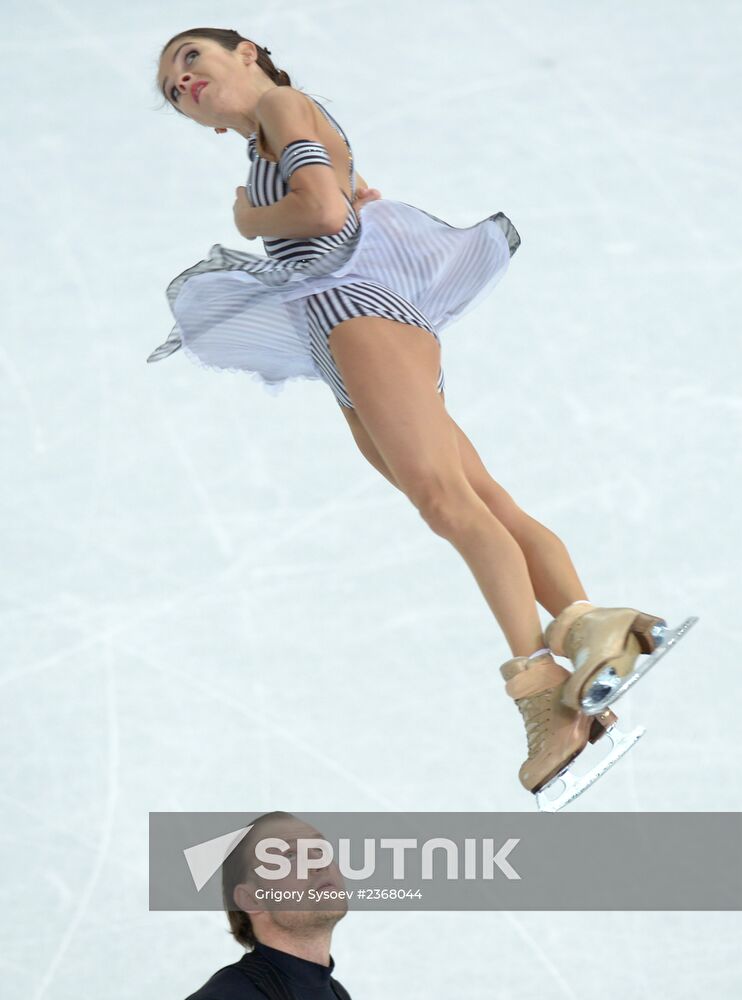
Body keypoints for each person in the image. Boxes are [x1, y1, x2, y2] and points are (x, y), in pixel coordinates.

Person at [151, 28, 691, 810]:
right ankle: (585, 626)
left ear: (247, 50)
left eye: (190, 59)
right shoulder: (275, 128)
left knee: (448, 502)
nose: (181, 82)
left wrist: (247, 222)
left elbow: (323, 207)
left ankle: (543, 694)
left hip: (356, 318)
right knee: (477, 497)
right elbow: (346, 195)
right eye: (171, 88)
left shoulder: (280, 103)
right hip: (344, 328)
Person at [185, 812, 351, 1000]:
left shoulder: (337, 993)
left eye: (320, 850)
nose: (319, 863)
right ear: (251, 899)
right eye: (289, 856)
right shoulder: (226, 996)